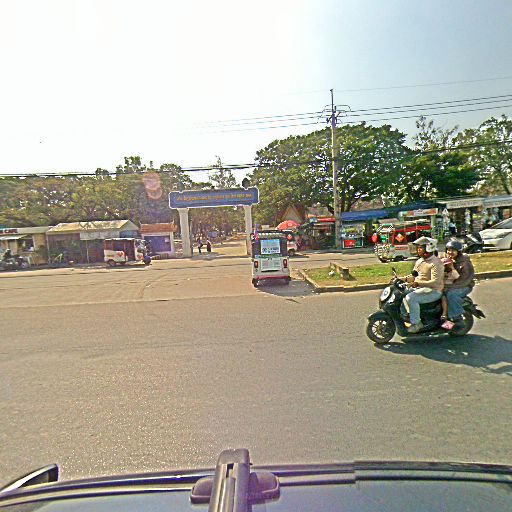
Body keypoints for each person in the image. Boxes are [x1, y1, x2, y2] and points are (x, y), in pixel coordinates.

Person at [401, 237, 444, 334]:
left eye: (420, 248)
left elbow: (435, 282)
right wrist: (402, 279)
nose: (418, 250)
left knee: (411, 298)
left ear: (428, 248)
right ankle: (407, 316)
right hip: (421, 288)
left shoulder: (436, 263)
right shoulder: (420, 261)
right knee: (401, 293)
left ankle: (416, 324)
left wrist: (417, 283)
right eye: (418, 248)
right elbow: (414, 276)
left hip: (434, 291)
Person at [444, 239, 475, 325]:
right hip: (454, 283)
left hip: (465, 285)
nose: (450, 252)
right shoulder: (451, 260)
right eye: (449, 250)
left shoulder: (465, 263)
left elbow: (464, 280)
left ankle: (457, 318)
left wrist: (448, 287)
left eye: (453, 250)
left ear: (458, 251)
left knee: (451, 294)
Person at [440, 257, 460, 330]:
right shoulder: (441, 273)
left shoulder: (452, 272)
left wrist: (452, 267)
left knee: (443, 298)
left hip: (449, 288)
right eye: (444, 265)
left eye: (447, 265)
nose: (446, 267)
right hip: (440, 288)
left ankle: (444, 313)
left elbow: (457, 276)